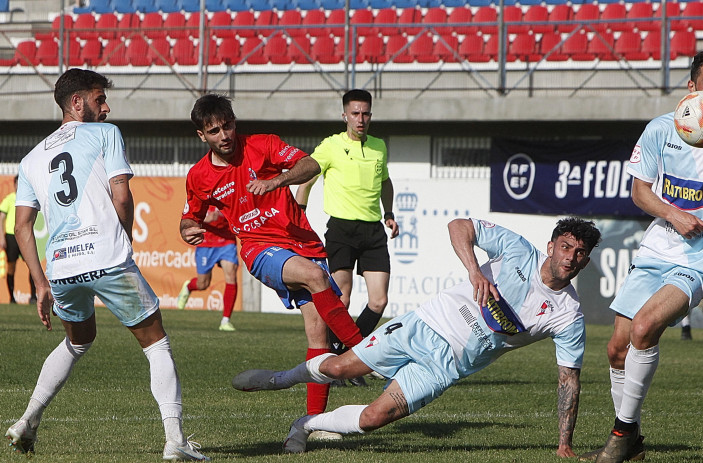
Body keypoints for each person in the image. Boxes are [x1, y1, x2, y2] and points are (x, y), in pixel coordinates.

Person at [232, 217, 602, 457]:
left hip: (447, 367)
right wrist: (475, 271)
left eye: (579, 253)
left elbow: (568, 378)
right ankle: (280, 379)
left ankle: (304, 424)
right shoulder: (518, 249)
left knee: (373, 419)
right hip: (422, 326)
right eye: (565, 247)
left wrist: (564, 444)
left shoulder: (568, 314)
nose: (570, 257)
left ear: (585, 262)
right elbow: (460, 226)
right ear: (552, 246)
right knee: (342, 367)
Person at [5, 69, 209, 460]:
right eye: (99, 99)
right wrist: (125, 239)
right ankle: (176, 442)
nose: (106, 106)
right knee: (156, 343)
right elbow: (121, 196)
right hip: (108, 257)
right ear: (77, 102)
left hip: (62, 267)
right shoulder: (106, 133)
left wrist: (40, 281)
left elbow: (22, 225)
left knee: (78, 340)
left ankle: (27, 420)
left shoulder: (30, 159)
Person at [579, 48, 703, 463]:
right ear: (691, 86)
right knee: (617, 349)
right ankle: (633, 441)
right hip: (657, 249)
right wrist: (672, 213)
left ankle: (619, 438)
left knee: (644, 328)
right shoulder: (661, 128)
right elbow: (640, 191)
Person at [180, 93, 363, 421]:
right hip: (258, 248)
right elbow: (190, 216)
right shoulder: (199, 176)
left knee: (318, 336)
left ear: (234, 123)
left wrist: (278, 179)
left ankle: (313, 422)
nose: (224, 135)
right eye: (214, 131)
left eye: (227, 126)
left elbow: (310, 164)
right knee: (316, 277)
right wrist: (188, 229)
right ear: (202, 135)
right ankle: (366, 354)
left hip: (303, 242)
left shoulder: (263, 145)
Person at [295, 89, 399, 387]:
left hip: (372, 230)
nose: (361, 119)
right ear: (345, 116)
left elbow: (385, 181)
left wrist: (388, 212)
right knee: (341, 297)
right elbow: (307, 179)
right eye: (355, 113)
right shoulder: (330, 146)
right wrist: (299, 216)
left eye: (366, 113)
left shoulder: (379, 146)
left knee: (379, 300)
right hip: (341, 229)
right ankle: (337, 361)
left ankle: (344, 354)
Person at [177, 205, 239, 332]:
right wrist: (205, 219)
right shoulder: (201, 193)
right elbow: (188, 218)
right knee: (203, 284)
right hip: (206, 243)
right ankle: (189, 287)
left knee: (231, 276)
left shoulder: (228, 190)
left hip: (226, 240)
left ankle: (225, 321)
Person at [0, 175, 37, 304]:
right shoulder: (9, 199)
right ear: (14, 185)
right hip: (11, 236)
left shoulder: (29, 199)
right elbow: (2, 217)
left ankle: (33, 296)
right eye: (17, 184)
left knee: (32, 265)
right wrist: (1, 236)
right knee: (11, 267)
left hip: (25, 235)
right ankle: (11, 297)